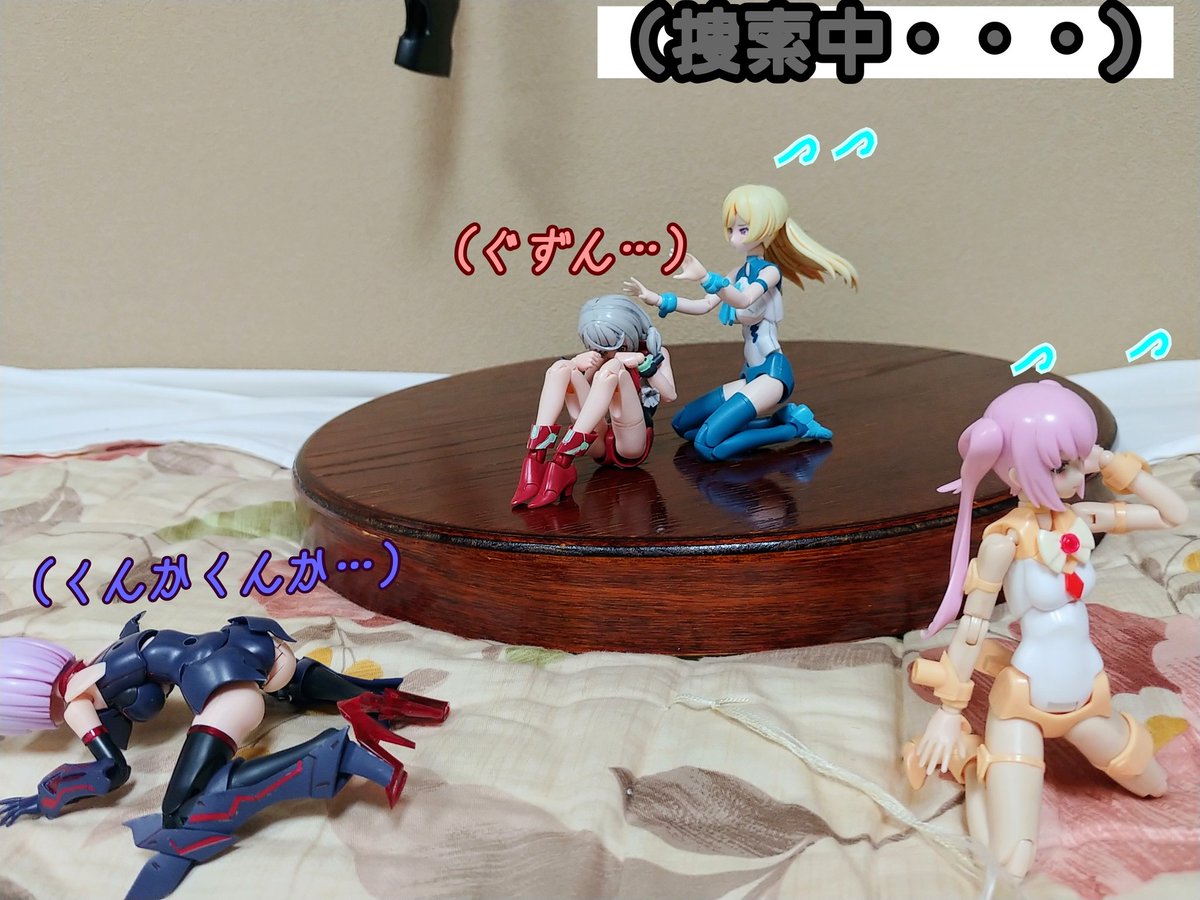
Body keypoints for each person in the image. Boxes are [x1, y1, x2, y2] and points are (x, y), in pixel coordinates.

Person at [905, 380, 1188, 878]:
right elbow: (973, 624)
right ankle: (976, 770)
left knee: (1154, 784)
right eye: (1061, 466)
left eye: (1077, 460)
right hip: (1025, 703)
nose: (1076, 475)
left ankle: (987, 772)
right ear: (1018, 473)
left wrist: (1108, 460)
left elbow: (1174, 513)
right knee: (1013, 860)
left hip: (1087, 695)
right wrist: (949, 712)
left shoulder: (1083, 518)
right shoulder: (1004, 542)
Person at [0, 613, 448, 897]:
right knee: (283, 686)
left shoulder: (76, 704)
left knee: (182, 815)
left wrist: (46, 798)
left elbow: (112, 770)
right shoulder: (105, 655)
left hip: (230, 694)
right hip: (255, 650)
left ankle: (335, 756)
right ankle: (376, 701)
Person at [625, 184, 856, 460]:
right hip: (750, 375)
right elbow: (704, 305)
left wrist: (706, 278)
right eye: (731, 229)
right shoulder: (736, 273)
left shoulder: (770, 272)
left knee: (708, 446)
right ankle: (782, 420)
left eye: (743, 229)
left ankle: (794, 428)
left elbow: (744, 300)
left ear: (769, 229)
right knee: (683, 425)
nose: (734, 237)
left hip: (772, 375)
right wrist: (657, 299)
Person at [512, 294, 676, 508]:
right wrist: (577, 362)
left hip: (631, 441)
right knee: (561, 368)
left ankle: (563, 459)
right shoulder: (601, 356)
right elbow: (588, 388)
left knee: (613, 370)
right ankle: (535, 458)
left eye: (614, 346)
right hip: (596, 440)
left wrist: (643, 364)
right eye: (599, 347)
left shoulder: (655, 353)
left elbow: (670, 395)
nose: (606, 352)